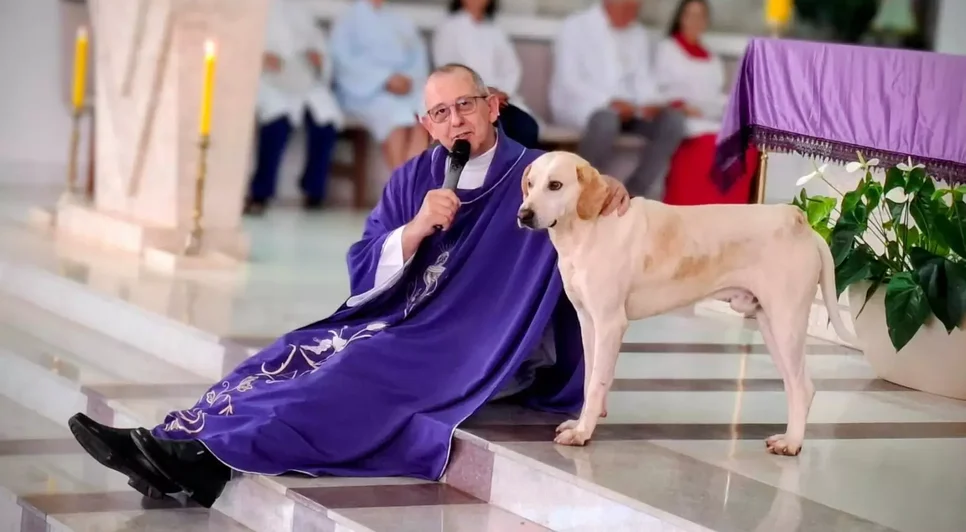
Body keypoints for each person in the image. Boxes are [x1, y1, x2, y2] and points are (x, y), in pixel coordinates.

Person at [66, 63, 631, 509]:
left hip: (472, 343)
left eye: (466, 105)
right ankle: (170, 446)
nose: (456, 121)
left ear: (494, 106)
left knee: (352, 371)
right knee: (292, 353)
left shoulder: (536, 173)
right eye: (441, 112)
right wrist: (412, 231)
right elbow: (365, 261)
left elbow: (591, 199)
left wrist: (614, 195)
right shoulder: (415, 177)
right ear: (426, 125)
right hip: (397, 322)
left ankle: (206, 462)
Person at [550, 0, 686, 199]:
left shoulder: (638, 34)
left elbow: (643, 79)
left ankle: (631, 194)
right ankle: (584, 193)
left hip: (631, 112)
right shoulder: (575, 27)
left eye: (635, 8)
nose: (632, 13)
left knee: (673, 121)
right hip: (585, 106)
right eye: (626, 7)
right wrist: (609, 102)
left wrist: (651, 102)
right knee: (606, 120)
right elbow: (569, 81)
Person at [245, 0, 344, 215]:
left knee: (325, 122)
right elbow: (241, 43)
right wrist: (257, 57)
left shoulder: (300, 8)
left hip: (303, 80)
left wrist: (318, 58)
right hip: (270, 81)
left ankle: (314, 190)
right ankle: (260, 192)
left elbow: (317, 44)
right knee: (277, 122)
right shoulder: (251, 7)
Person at [656, 0, 758, 205]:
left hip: (711, 117)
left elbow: (716, 95)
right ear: (680, 18)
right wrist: (681, 105)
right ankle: (692, 205)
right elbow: (658, 88)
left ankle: (731, 214)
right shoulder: (667, 49)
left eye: (700, 16)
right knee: (710, 146)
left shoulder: (711, 59)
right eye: (690, 15)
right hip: (684, 119)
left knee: (746, 145)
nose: (695, 21)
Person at [329, 0, 430, 171]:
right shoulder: (348, 19)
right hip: (365, 92)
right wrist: (384, 79)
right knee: (396, 114)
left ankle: (411, 186)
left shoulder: (401, 20)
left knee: (425, 113)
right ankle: (401, 190)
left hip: (405, 89)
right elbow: (343, 62)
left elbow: (417, 58)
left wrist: (407, 80)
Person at [432, 0, 541, 149]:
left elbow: (511, 69)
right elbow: (449, 70)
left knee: (527, 127)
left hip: (501, 100)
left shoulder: (495, 30)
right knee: (495, 131)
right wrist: (482, 92)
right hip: (468, 100)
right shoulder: (449, 28)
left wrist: (502, 92)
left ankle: (520, 172)